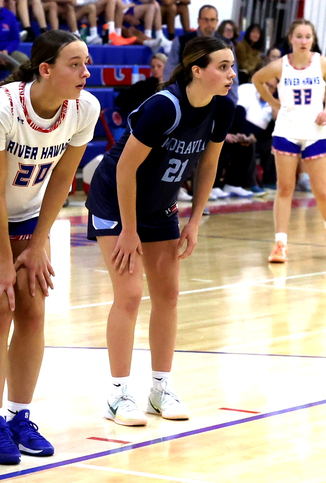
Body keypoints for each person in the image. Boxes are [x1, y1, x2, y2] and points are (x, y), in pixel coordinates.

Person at [0, 30, 100, 465]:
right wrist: (3, 259)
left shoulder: (84, 108)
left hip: (31, 212)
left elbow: (62, 179)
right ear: (45, 69)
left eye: (87, 63)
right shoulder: (1, 108)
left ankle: (19, 417)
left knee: (33, 311)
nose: (85, 72)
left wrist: (37, 245)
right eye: (75, 64)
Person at [85, 36, 236, 426]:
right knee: (130, 294)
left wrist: (195, 219)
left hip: (160, 205)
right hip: (115, 201)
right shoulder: (164, 106)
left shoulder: (222, 108)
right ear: (197, 70)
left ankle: (160, 389)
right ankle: (118, 395)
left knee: (168, 294)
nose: (231, 74)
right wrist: (128, 229)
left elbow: (208, 165)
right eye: (223, 66)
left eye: (232, 66)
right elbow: (125, 168)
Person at [252, 19, 326, 263]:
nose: (304, 41)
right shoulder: (280, 65)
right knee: (285, 188)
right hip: (287, 130)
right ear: (291, 38)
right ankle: (280, 244)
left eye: (308, 36)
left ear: (313, 40)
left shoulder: (322, 63)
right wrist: (273, 103)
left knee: (321, 190)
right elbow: (257, 79)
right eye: (299, 36)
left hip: (315, 131)